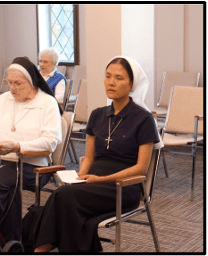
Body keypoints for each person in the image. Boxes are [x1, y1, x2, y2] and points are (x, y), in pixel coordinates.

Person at [22, 56, 161, 252]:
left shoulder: (144, 119)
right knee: (65, 199)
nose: (111, 82)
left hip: (123, 186)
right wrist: (79, 177)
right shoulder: (97, 114)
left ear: (131, 84)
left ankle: (39, 250)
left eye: (119, 78)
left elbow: (141, 168)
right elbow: (89, 158)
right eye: (108, 76)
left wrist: (101, 180)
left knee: (60, 199)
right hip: (92, 182)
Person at [0, 56, 63, 249]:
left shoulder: (47, 103)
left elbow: (50, 143)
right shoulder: (3, 99)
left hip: (31, 165)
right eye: (10, 83)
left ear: (31, 81)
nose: (12, 88)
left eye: (18, 83)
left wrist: (18, 147)